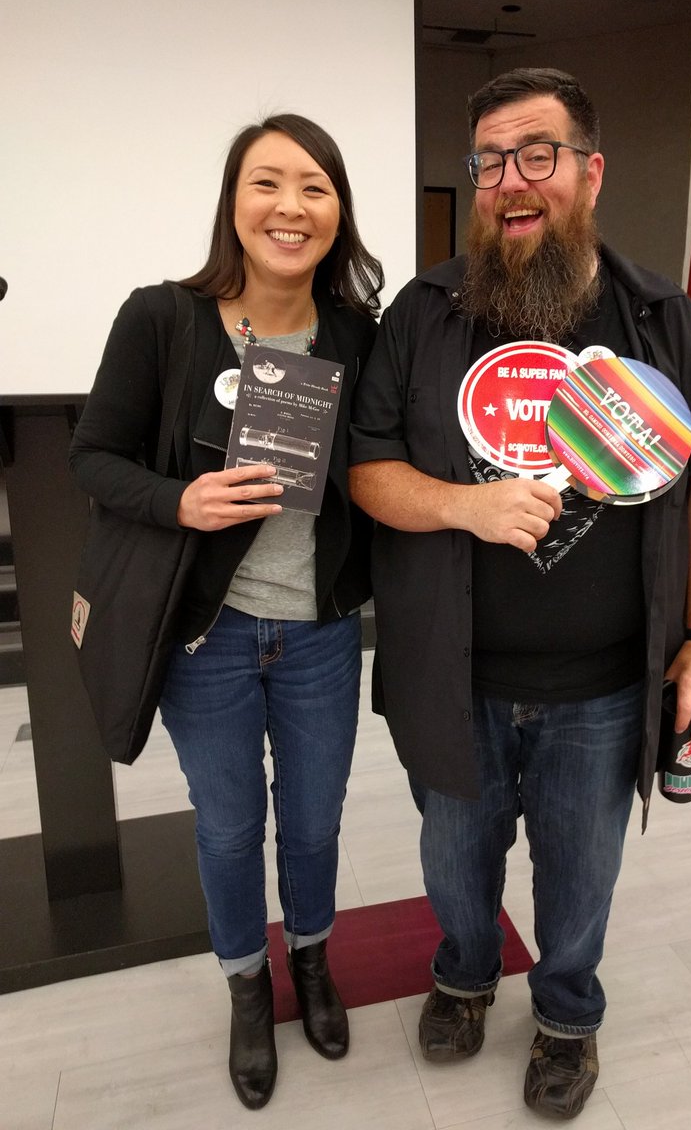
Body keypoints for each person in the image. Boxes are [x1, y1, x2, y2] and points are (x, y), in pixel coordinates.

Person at [349, 68, 691, 1120]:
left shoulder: (658, 315)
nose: (510, 180)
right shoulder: (424, 313)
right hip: (453, 676)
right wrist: (466, 507)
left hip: (605, 687)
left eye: (536, 153)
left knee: (581, 882)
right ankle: (462, 971)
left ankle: (568, 1014)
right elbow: (366, 470)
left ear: (589, 171)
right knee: (454, 865)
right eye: (490, 160)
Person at [70, 113, 382, 1110]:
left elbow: (379, 474)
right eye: (268, 183)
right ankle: (249, 987)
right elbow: (93, 458)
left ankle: (316, 963)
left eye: (314, 187)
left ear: (337, 212)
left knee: (316, 824)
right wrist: (181, 501)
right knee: (228, 826)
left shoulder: (355, 336)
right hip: (208, 633)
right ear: (233, 202)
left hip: (323, 631)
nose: (290, 206)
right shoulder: (162, 317)